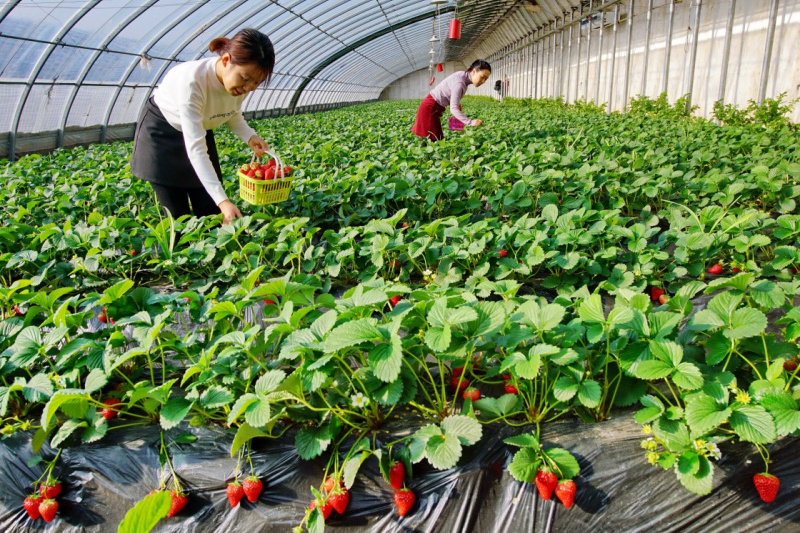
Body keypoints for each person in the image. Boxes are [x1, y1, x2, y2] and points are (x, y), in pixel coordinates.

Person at [130, 28, 275, 225]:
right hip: (161, 134)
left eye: (256, 83)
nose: (248, 88)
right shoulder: (193, 83)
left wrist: (249, 136)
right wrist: (224, 202)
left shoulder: (240, 84)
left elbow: (232, 112)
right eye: (245, 78)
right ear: (226, 61)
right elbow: (196, 149)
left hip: (198, 130)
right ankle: (176, 254)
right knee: (178, 219)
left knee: (210, 213)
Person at [411, 59, 491, 142]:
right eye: (482, 77)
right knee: (432, 140)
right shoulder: (460, 83)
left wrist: (456, 102)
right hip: (430, 108)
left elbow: (448, 90)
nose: (483, 81)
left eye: (486, 79)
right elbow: (453, 109)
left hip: (432, 107)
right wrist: (471, 122)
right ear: (474, 71)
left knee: (436, 139)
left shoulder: (462, 75)